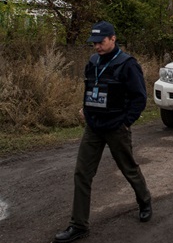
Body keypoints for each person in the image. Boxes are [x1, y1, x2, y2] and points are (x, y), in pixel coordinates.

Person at [54, 21, 152, 243]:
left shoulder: (128, 64)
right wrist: (86, 110)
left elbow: (139, 98)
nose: (97, 47)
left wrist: (126, 123)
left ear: (113, 39)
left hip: (116, 127)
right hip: (94, 127)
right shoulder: (93, 61)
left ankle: (144, 200)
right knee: (82, 173)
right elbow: (89, 87)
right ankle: (78, 225)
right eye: (94, 43)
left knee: (128, 168)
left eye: (101, 42)